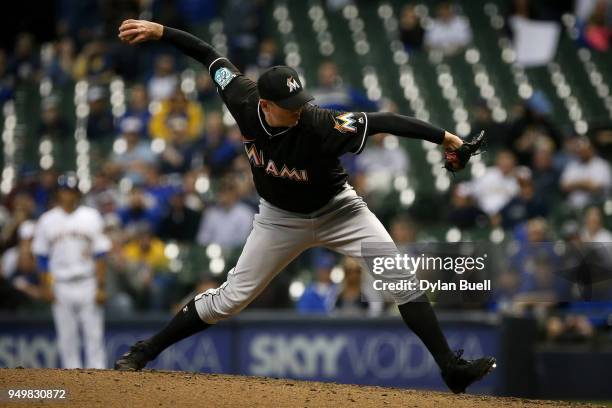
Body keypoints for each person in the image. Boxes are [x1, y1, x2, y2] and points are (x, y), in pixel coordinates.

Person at [113, 19, 495, 394]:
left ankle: (450, 369)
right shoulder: (243, 98)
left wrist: (448, 139)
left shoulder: (320, 122)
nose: (298, 109)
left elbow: (387, 121)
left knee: (398, 277)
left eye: (299, 101)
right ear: (265, 104)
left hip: (340, 211)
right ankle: (145, 351)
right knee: (228, 301)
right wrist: (162, 32)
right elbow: (208, 54)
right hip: (280, 219)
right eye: (288, 105)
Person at [32, 173, 111, 368]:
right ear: (58, 193)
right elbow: (41, 257)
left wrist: (100, 286)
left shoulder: (90, 216)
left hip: (88, 282)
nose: (68, 195)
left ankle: (99, 386)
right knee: (67, 340)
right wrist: (45, 286)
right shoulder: (47, 220)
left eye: (72, 191)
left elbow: (100, 254)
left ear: (78, 194)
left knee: (94, 337)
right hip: (61, 285)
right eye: (65, 191)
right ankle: (74, 390)